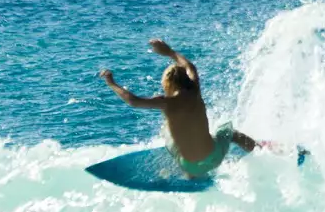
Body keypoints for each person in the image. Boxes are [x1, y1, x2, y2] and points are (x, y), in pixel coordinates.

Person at [99, 39, 298, 178]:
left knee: (167, 133)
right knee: (229, 131)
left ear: (169, 85)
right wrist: (169, 52)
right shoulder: (195, 89)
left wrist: (111, 82)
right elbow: (190, 67)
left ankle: (188, 175)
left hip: (191, 166)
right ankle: (261, 150)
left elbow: (132, 101)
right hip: (214, 157)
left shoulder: (167, 103)